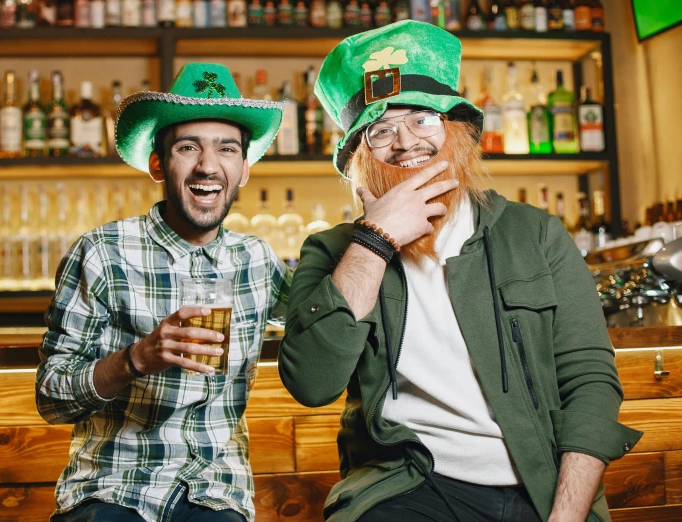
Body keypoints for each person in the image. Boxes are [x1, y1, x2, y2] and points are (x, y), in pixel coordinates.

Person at [278, 21, 642, 522]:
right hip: (407, 487)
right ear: (361, 159)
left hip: (542, 490)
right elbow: (311, 383)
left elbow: (591, 382)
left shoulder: (535, 233)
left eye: (423, 119)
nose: (405, 143)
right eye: (380, 130)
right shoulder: (332, 250)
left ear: (459, 131)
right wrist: (375, 239)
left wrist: (566, 515)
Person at [36, 63, 291, 522]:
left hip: (215, 490)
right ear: (158, 164)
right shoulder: (103, 252)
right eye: (187, 147)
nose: (208, 165)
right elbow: (51, 397)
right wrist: (137, 358)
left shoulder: (259, 260)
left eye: (227, 148)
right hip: (112, 487)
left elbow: (325, 322)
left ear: (245, 169)